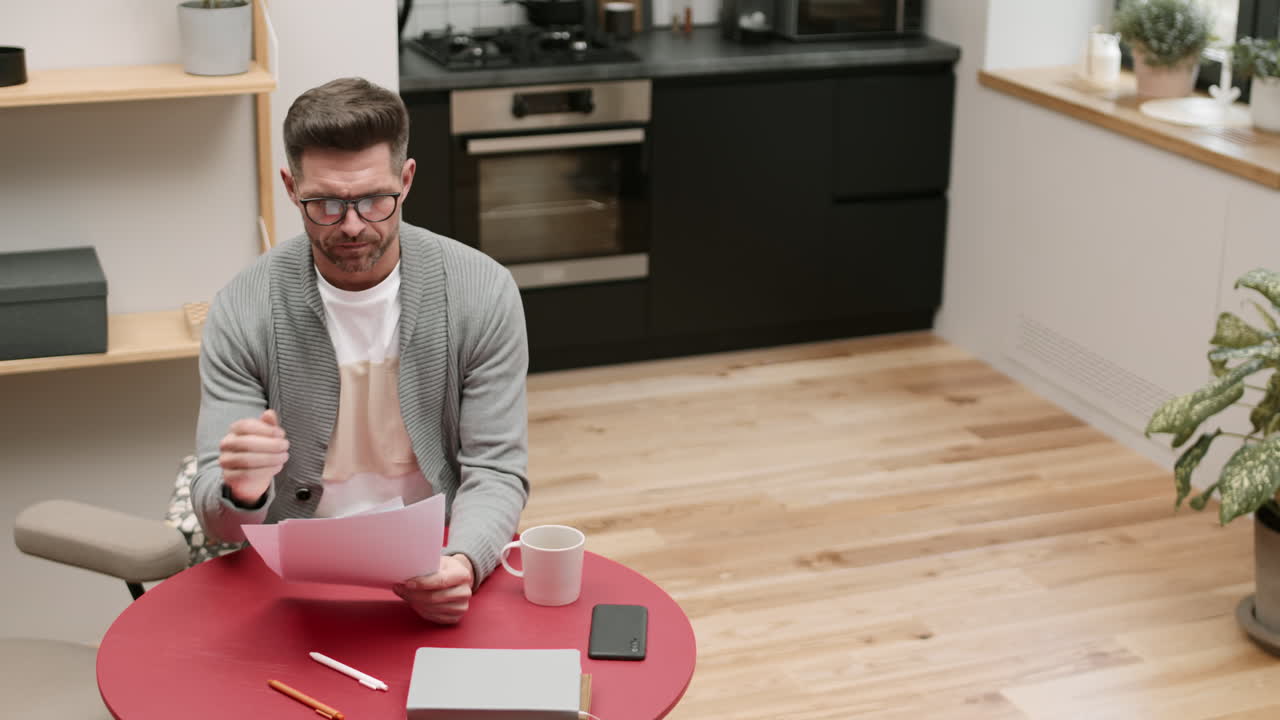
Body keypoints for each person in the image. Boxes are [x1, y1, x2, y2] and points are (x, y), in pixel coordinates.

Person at [191, 77, 530, 624]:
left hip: (436, 557)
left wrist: (463, 560)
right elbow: (220, 520)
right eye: (324, 203)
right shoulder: (242, 308)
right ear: (290, 186)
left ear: (407, 178)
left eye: (374, 200)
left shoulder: (481, 291)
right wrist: (244, 491)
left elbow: (495, 469)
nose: (352, 226)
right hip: (294, 577)